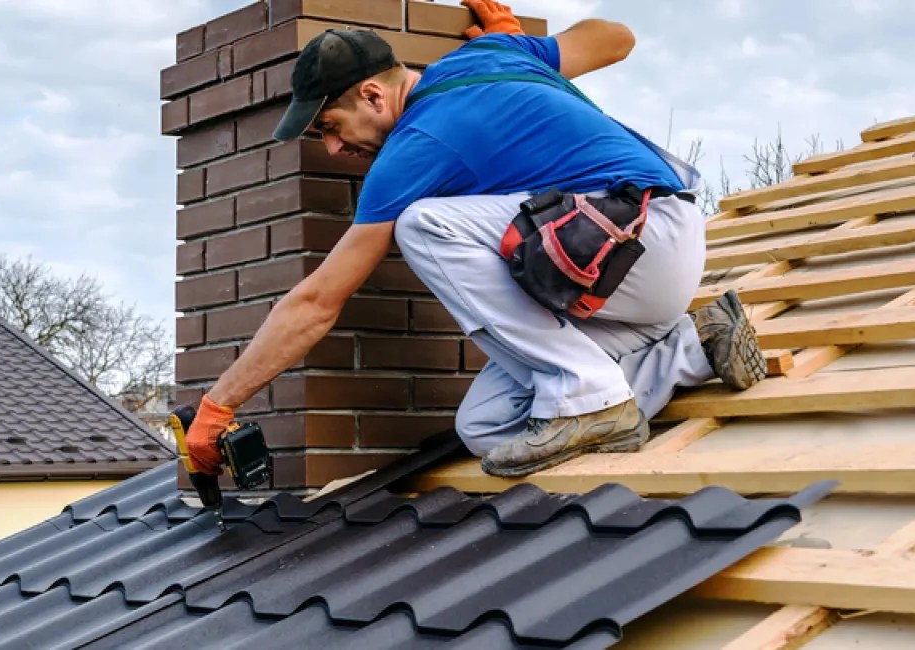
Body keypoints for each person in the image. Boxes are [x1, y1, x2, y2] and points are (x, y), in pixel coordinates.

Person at [180, 0, 764, 479]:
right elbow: (617, 36)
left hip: (638, 238)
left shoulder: (414, 147)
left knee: (424, 224)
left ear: (373, 97)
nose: (333, 150)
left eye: (330, 127)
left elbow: (317, 302)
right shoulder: (495, 52)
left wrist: (219, 405)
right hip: (631, 271)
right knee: (485, 427)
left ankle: (591, 396)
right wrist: (524, 48)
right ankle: (694, 347)